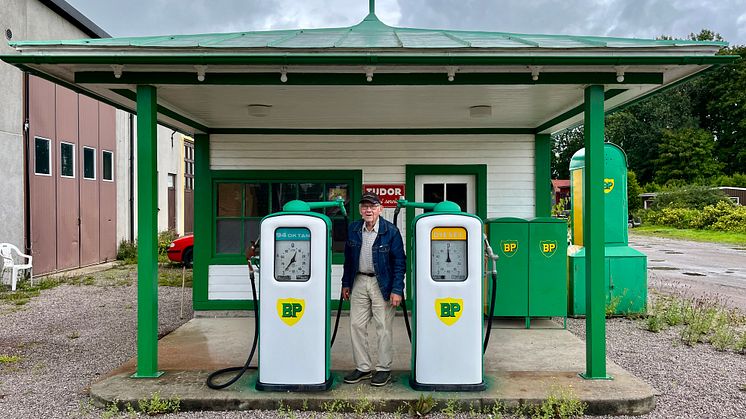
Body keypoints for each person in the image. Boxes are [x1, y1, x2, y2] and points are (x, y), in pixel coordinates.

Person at [341, 191, 406, 386]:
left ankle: (383, 368)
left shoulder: (391, 231)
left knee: (383, 327)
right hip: (359, 280)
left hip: (382, 282)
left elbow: (399, 262)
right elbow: (348, 259)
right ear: (360, 210)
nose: (368, 210)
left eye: (372, 206)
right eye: (365, 206)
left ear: (380, 209)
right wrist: (346, 283)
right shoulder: (354, 229)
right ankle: (363, 367)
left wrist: (397, 289)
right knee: (356, 325)